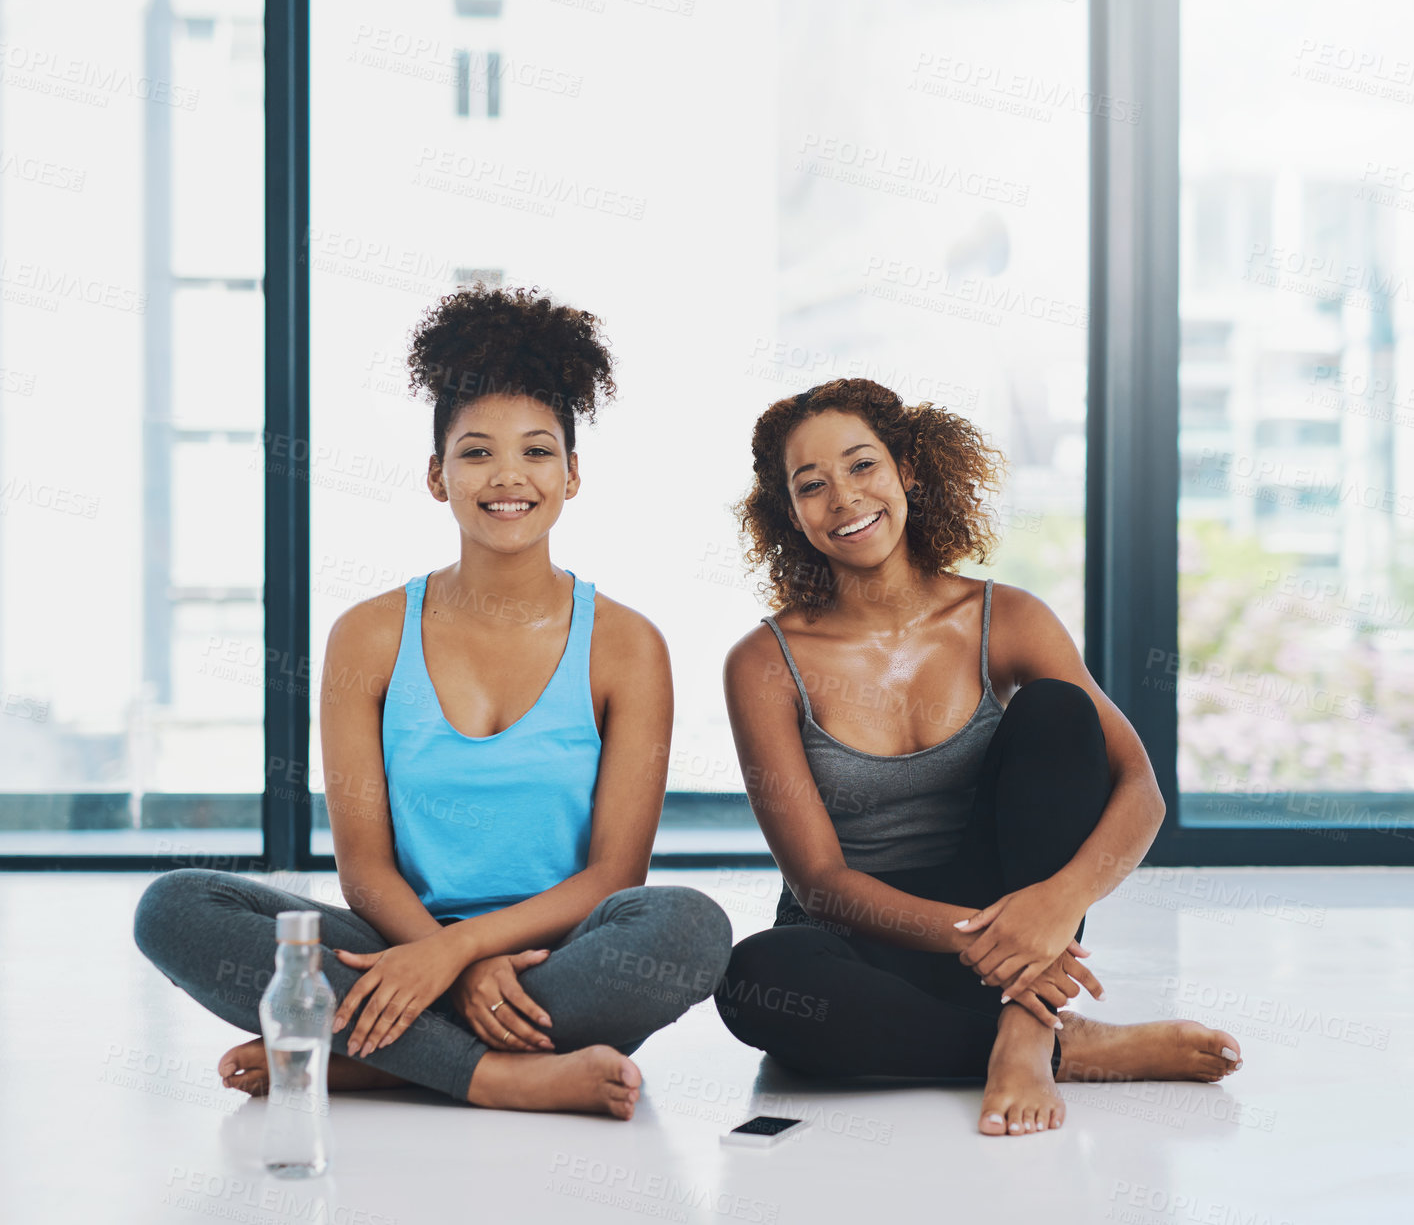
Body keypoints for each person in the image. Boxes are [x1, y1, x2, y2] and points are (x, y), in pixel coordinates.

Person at [134, 282, 732, 1119]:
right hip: (391, 948)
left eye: (537, 451)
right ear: (436, 474)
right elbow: (365, 870)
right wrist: (438, 953)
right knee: (174, 908)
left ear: (572, 473)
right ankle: (500, 1075)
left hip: (559, 965)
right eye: (477, 452)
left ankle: (373, 1061)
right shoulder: (369, 636)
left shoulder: (628, 645)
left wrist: (465, 953)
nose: (508, 477)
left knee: (691, 927)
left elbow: (613, 874)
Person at [713, 378, 1243, 1136]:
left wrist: (1055, 906)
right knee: (753, 982)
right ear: (788, 512)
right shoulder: (763, 662)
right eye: (811, 485)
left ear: (908, 470)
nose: (843, 498)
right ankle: (1067, 1043)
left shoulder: (1009, 618)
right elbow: (823, 884)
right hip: (866, 943)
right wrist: (998, 944)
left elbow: (1140, 789)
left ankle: (1025, 1034)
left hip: (1013, 911)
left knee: (1060, 713)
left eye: (863, 466)